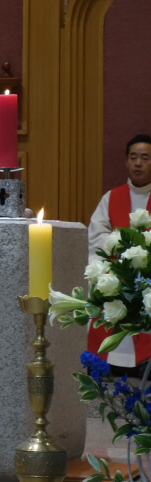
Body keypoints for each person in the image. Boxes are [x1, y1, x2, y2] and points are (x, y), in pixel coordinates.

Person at [86, 134, 151, 370]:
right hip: (116, 273)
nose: (138, 163)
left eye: (145, 158)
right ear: (126, 161)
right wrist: (124, 252)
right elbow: (96, 237)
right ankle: (108, 365)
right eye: (133, 157)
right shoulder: (112, 198)